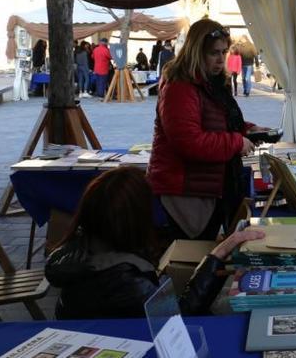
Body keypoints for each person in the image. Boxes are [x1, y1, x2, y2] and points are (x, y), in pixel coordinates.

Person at [45, 167, 264, 320]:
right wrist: (219, 253)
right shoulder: (121, 276)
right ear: (135, 217)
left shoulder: (78, 245)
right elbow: (182, 314)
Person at [147, 19, 267, 240]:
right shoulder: (180, 87)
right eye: (214, 53)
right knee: (191, 257)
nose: (221, 59)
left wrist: (247, 130)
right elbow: (188, 142)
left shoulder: (211, 81)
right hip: (187, 192)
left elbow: (218, 121)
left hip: (208, 186)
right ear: (196, 52)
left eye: (224, 52)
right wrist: (236, 142)